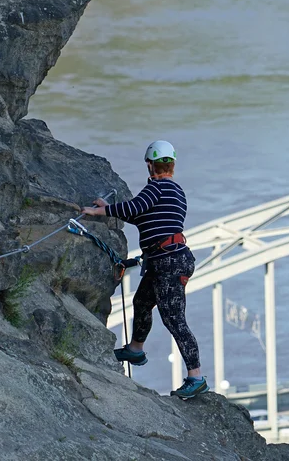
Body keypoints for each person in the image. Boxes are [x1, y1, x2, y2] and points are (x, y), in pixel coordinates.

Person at [81, 140, 209, 399]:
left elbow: (134, 208)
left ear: (151, 165)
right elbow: (141, 216)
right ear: (171, 164)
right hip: (168, 259)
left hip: (168, 261)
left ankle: (196, 377)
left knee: (174, 319)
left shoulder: (157, 187)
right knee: (141, 302)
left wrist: (98, 212)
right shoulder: (176, 191)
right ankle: (136, 349)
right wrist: (107, 210)